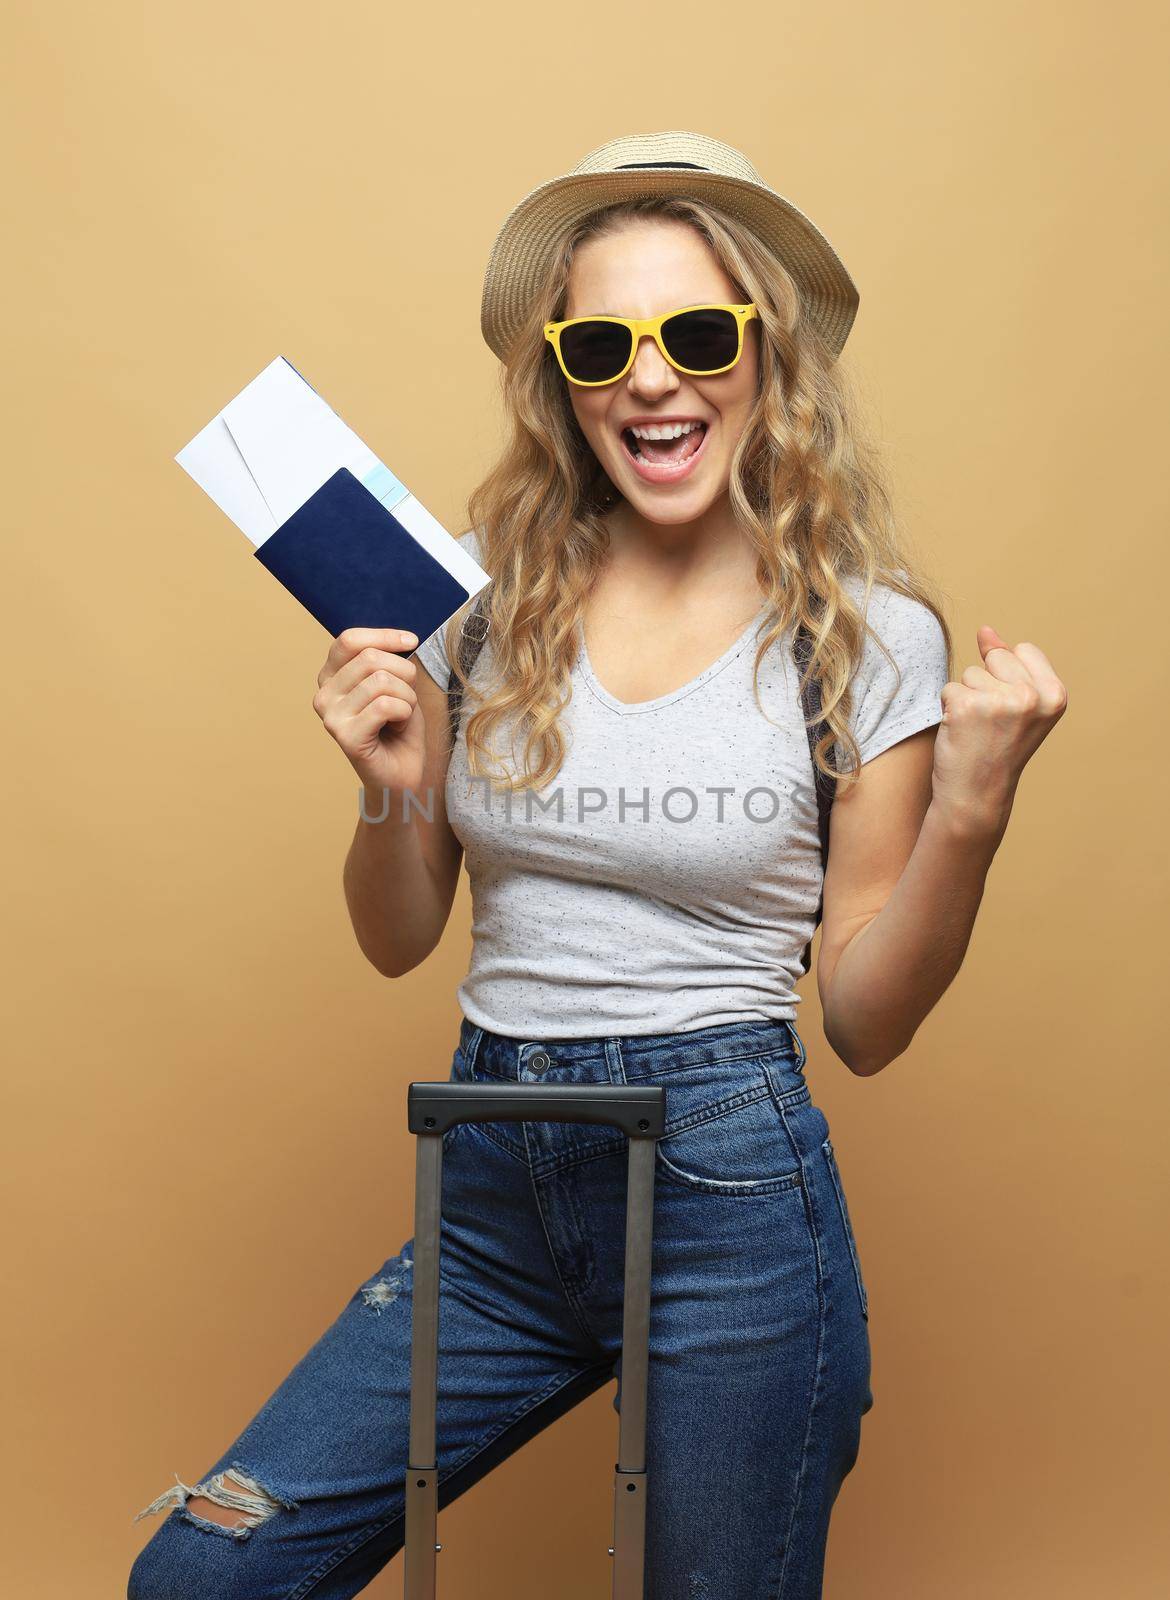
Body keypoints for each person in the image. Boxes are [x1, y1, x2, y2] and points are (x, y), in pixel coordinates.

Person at [128, 131, 1066, 1599]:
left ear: (764, 362)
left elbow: (866, 1022)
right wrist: (389, 792)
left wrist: (970, 810)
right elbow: (396, 936)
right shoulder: (473, 612)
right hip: (489, 1180)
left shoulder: (868, 636)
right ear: (558, 380)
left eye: (697, 334)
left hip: (726, 1193)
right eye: (601, 342)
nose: (651, 378)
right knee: (204, 1576)